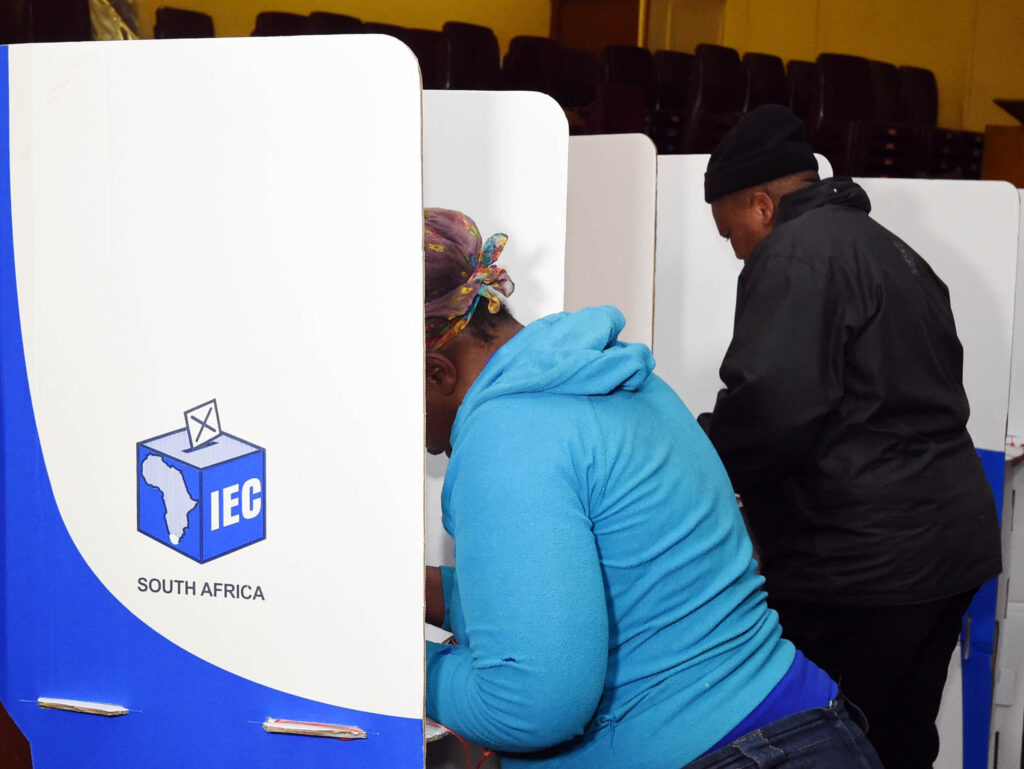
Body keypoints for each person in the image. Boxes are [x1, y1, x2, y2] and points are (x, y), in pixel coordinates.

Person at [421, 207, 883, 769]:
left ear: (438, 370)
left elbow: (528, 705)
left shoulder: (509, 436)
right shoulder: (603, 374)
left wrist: (383, 653)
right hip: (797, 727)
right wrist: (426, 596)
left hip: (721, 753)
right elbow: (622, 589)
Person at [699, 104, 1003, 769]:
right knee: (899, 741)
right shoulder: (892, 249)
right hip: (945, 549)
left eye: (731, 232)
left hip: (864, 565)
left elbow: (774, 411)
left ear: (761, 206)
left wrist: (698, 454)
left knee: (834, 745)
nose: (736, 249)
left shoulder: (794, 254)